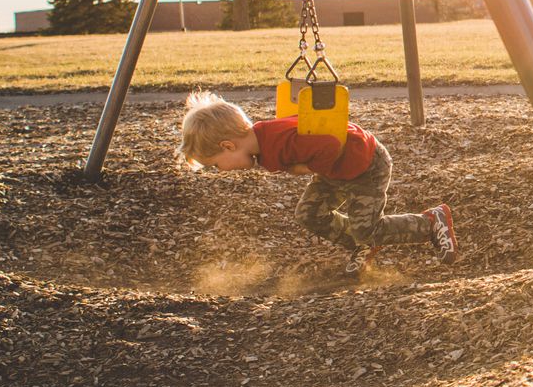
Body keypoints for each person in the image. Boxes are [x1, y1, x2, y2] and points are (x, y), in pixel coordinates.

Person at [178, 92, 454, 278]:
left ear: (228, 145)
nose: (221, 170)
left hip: (366, 165)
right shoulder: (261, 145)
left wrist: (304, 169)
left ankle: (430, 222)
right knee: (308, 214)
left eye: (217, 164)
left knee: (366, 227)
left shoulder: (279, 141)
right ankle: (362, 245)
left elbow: (331, 144)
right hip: (337, 172)